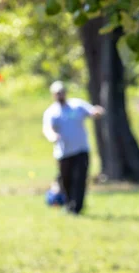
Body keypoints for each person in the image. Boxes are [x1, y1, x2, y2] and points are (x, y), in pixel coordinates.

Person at [42, 81, 105, 214]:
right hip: (63, 152)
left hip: (81, 150)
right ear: (53, 95)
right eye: (57, 93)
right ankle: (68, 204)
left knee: (80, 179)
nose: (60, 95)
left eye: (62, 92)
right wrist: (52, 136)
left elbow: (91, 111)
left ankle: (77, 207)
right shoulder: (52, 112)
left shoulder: (76, 105)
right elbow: (48, 128)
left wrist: (97, 112)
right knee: (66, 180)